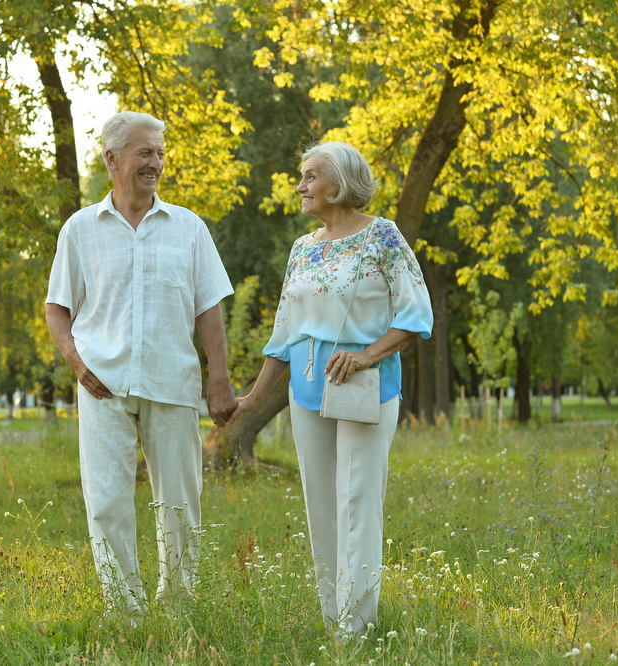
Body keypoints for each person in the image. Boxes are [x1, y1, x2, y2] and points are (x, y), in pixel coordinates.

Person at [232, 141, 433, 635]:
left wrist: (365, 355)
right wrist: (253, 399)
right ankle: (332, 620)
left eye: (310, 176)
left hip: (364, 386)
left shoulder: (384, 237)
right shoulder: (302, 247)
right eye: (301, 176)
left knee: (357, 500)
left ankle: (357, 626)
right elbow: (283, 332)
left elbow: (416, 315)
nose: (300, 186)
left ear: (339, 183)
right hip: (305, 389)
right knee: (321, 503)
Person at [45, 111, 238, 617]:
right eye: (144, 153)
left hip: (171, 379)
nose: (155, 163)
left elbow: (209, 308)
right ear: (112, 159)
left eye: (159, 152)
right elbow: (57, 306)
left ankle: (176, 605)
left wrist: (219, 378)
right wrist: (75, 361)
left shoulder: (189, 228)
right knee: (107, 500)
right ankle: (124, 607)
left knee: (179, 502)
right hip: (101, 381)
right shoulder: (80, 230)